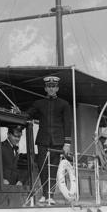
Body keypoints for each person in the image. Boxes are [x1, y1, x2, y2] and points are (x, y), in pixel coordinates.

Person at [25, 76, 72, 205]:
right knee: (42, 167)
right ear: (45, 88)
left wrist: (67, 143)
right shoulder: (39, 104)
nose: (51, 89)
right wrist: (18, 112)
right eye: (49, 87)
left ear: (57, 88)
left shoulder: (64, 104)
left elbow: (67, 124)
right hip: (43, 141)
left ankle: (50, 195)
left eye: (53, 86)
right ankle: (44, 194)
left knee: (53, 168)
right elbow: (27, 114)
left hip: (58, 142)